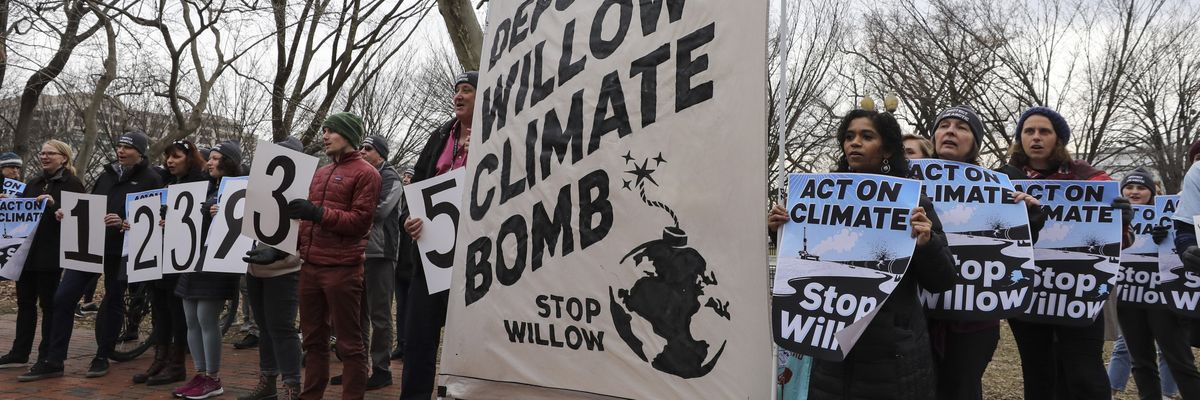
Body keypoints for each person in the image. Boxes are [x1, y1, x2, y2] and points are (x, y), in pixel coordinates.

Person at [769, 109, 956, 399]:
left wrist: (926, 242)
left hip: (892, 356)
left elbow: (942, 280)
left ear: (887, 149)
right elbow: (798, 265)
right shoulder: (818, 199)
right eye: (849, 136)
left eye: (866, 136)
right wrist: (779, 230)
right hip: (831, 351)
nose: (854, 142)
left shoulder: (913, 203)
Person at [999, 106, 1130, 400]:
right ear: (1020, 138)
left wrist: (1122, 218)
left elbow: (1121, 242)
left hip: (1079, 291)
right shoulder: (1004, 180)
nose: (1036, 137)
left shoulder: (1092, 179)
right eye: (1028, 131)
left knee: (1085, 374)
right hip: (1027, 291)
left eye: (1044, 131)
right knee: (1038, 372)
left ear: (1058, 139)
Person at [920, 106, 1046, 400]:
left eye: (962, 128)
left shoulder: (999, 187)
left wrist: (1027, 216)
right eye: (944, 125)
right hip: (919, 317)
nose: (951, 131)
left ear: (974, 143)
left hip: (973, 321)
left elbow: (1016, 245)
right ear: (935, 136)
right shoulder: (906, 182)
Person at [20, 131, 163, 382]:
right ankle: (54, 360)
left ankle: (102, 355)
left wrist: (124, 222)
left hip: (122, 248)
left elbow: (153, 218)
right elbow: (91, 204)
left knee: (113, 298)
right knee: (63, 298)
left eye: (127, 148)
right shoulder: (107, 174)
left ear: (140, 152)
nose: (120, 151)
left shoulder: (151, 178)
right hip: (91, 243)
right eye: (119, 146)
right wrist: (69, 213)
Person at [286, 112, 380, 399]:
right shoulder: (321, 173)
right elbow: (304, 223)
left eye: (331, 131)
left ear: (348, 135)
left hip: (343, 270)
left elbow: (360, 222)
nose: (324, 136)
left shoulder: (367, 174)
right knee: (313, 342)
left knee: (349, 346)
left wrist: (317, 213)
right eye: (324, 130)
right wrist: (288, 247)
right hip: (310, 267)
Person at [400, 71, 476, 400]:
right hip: (430, 256)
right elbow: (417, 183)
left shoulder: (498, 134)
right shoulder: (441, 134)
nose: (458, 96)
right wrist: (408, 218)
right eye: (456, 90)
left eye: (467, 91)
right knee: (418, 338)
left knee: (465, 341)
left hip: (472, 258)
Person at [1107, 168, 1200, 400]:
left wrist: (1167, 236)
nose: (1135, 192)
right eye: (1129, 187)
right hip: (1128, 296)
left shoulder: (1173, 214)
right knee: (1140, 362)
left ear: (1152, 191)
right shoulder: (1114, 214)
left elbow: (1187, 237)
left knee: (1180, 360)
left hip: (1163, 298)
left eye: (1141, 187)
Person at [0, 140, 85, 370]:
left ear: (64, 158)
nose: (44, 156)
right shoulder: (34, 182)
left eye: (50, 153)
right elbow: (23, 210)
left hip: (51, 254)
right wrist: (10, 204)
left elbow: (80, 218)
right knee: (25, 304)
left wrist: (54, 205)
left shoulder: (73, 184)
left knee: (49, 306)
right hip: (26, 254)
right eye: (42, 152)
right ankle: (19, 352)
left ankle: (46, 354)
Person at [170, 141, 245, 399]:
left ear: (229, 162)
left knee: (205, 318)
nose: (209, 162)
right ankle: (200, 374)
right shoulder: (205, 187)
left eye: (215, 158)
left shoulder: (241, 189)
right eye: (210, 158)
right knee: (190, 317)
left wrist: (220, 212)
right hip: (195, 258)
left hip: (218, 261)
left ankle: (213, 377)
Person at [329, 135, 401, 390]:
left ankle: (382, 370)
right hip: (356, 252)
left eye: (368, 149)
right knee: (355, 315)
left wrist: (352, 212)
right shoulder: (358, 175)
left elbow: (381, 211)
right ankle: (356, 369)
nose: (362, 152)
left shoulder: (391, 177)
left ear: (381, 155)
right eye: (361, 147)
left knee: (380, 315)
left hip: (381, 254)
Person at [133, 140, 206, 387]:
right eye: (168, 157)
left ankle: (177, 365)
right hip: (159, 253)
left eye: (176, 156)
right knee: (159, 309)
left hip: (182, 258)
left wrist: (173, 222)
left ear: (189, 158)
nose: (170, 161)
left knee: (177, 312)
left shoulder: (199, 184)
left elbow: (196, 221)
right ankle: (160, 360)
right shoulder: (165, 181)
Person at [238, 137, 306, 400]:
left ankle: (292, 387)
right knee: (265, 328)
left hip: (285, 270)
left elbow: (304, 232)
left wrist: (283, 253)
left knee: (282, 328)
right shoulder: (260, 186)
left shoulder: (302, 190)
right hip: (256, 268)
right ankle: (267, 382)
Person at [392, 167, 415, 361]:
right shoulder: (399, 199)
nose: (406, 179)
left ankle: (410, 344)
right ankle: (401, 343)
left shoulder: (419, 202)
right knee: (401, 307)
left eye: (410, 176)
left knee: (412, 308)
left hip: (413, 263)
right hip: (398, 263)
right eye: (405, 176)